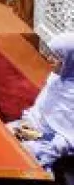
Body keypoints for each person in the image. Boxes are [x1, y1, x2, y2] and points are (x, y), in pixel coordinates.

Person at [9, 33, 74, 166]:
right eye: (51, 54)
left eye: (57, 57)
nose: (49, 59)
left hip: (50, 145)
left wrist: (38, 139)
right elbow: (39, 109)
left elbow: (67, 139)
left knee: (17, 155)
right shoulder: (56, 77)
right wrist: (26, 126)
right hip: (30, 130)